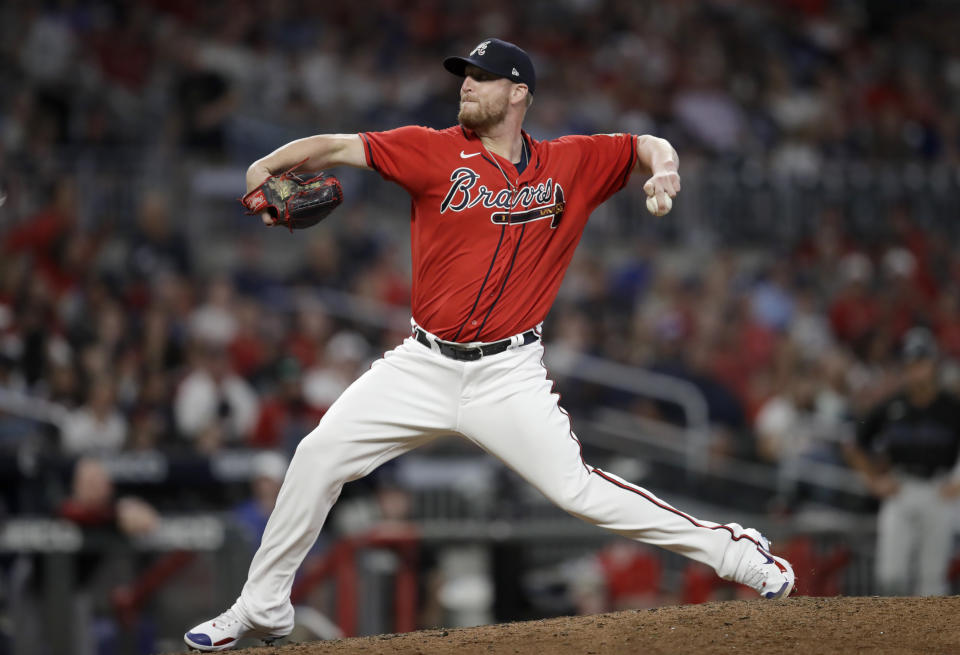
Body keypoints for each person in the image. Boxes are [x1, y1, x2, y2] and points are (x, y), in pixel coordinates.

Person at [184, 38, 794, 651]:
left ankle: (736, 553)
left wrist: (665, 169)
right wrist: (266, 165)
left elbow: (644, 145)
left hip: (508, 373)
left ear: (519, 91)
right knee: (318, 456)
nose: (466, 85)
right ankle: (261, 606)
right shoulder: (433, 149)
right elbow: (341, 146)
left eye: (481, 77)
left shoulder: (569, 162)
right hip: (422, 364)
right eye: (464, 76)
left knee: (577, 491)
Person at [847, 327, 960, 596]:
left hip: (938, 490)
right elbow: (854, 446)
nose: (916, 370)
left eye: (921, 362)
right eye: (911, 363)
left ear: (933, 364)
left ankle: (931, 640)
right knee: (891, 576)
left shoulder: (951, 407)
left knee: (932, 580)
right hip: (901, 487)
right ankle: (889, 638)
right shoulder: (892, 405)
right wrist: (872, 481)